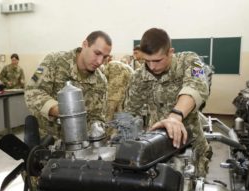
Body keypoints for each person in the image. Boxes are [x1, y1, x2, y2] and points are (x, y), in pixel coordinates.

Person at [123, 28, 210, 177]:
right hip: (158, 149)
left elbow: (198, 86)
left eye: (157, 60)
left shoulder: (191, 61)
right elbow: (130, 112)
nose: (152, 66)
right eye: (147, 61)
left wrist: (175, 116)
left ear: (170, 52)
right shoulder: (138, 77)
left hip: (191, 147)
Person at [25, 30, 112, 139]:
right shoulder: (54, 61)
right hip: (46, 140)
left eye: (105, 57)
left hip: (78, 144)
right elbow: (32, 91)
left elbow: (97, 116)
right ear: (85, 45)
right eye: (97, 53)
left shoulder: (101, 81)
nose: (100, 61)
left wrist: (96, 127)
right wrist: (59, 109)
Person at [101, 60, 134, 136]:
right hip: (125, 91)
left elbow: (105, 79)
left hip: (114, 92)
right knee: (121, 111)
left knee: (109, 113)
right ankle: (121, 133)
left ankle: (107, 134)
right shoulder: (123, 65)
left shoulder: (109, 66)